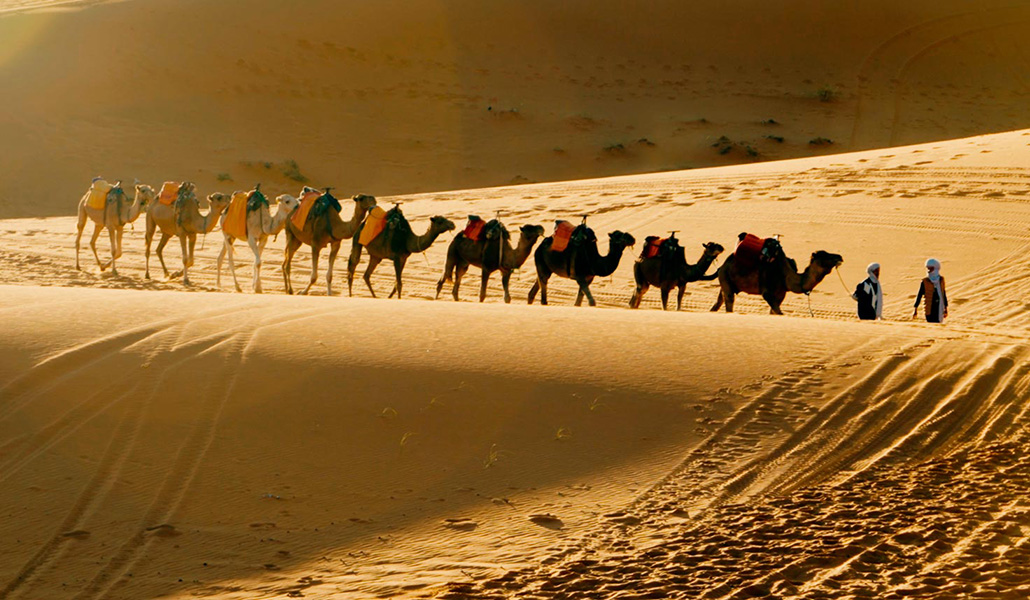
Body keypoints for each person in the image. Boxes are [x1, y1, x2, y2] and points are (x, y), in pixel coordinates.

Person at [913, 258, 948, 323]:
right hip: (929, 308)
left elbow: (943, 294)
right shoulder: (925, 281)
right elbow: (919, 295)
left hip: (939, 308)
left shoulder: (941, 280)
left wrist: (946, 307)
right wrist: (915, 308)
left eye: (931, 268)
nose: (929, 270)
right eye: (928, 268)